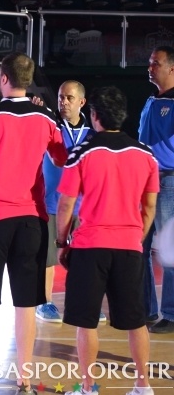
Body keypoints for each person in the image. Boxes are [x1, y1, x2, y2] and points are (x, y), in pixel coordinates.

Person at [0, 53, 68, 394]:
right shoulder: (46, 118)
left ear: (3, 78)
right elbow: (62, 158)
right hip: (31, 220)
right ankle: (24, 376)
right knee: (26, 304)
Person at [57, 86, 158, 395]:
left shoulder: (82, 152)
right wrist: (137, 236)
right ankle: (143, 386)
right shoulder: (145, 154)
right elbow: (149, 206)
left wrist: (62, 242)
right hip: (128, 246)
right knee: (136, 321)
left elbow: (66, 204)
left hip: (90, 247)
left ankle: (88, 387)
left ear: (94, 115)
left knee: (86, 322)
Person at [38, 81, 95, 323]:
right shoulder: (49, 125)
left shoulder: (92, 133)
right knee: (48, 257)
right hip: (51, 203)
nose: (63, 102)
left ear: (82, 102)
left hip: (81, 206)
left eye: (69, 98)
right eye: (61, 97)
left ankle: (82, 302)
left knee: (82, 258)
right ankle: (44, 302)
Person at [139, 46, 174, 334]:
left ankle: (171, 314)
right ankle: (145, 307)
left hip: (168, 181)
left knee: (168, 249)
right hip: (144, 180)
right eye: (150, 63)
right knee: (138, 245)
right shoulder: (152, 100)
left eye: (156, 63)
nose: (150, 67)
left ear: (172, 68)